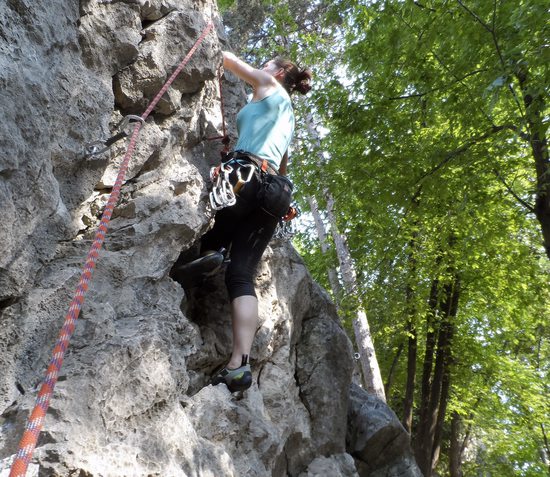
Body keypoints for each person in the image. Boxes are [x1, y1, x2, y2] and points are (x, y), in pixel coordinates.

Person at [173, 51, 312, 392]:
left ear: (278, 73)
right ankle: (239, 364)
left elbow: (229, 61)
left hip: (246, 175)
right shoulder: (288, 115)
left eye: (268, 65)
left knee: (216, 228)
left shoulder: (268, 83)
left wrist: (208, 33)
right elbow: (281, 164)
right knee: (242, 276)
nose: (263, 68)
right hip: (277, 192)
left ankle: (211, 252)